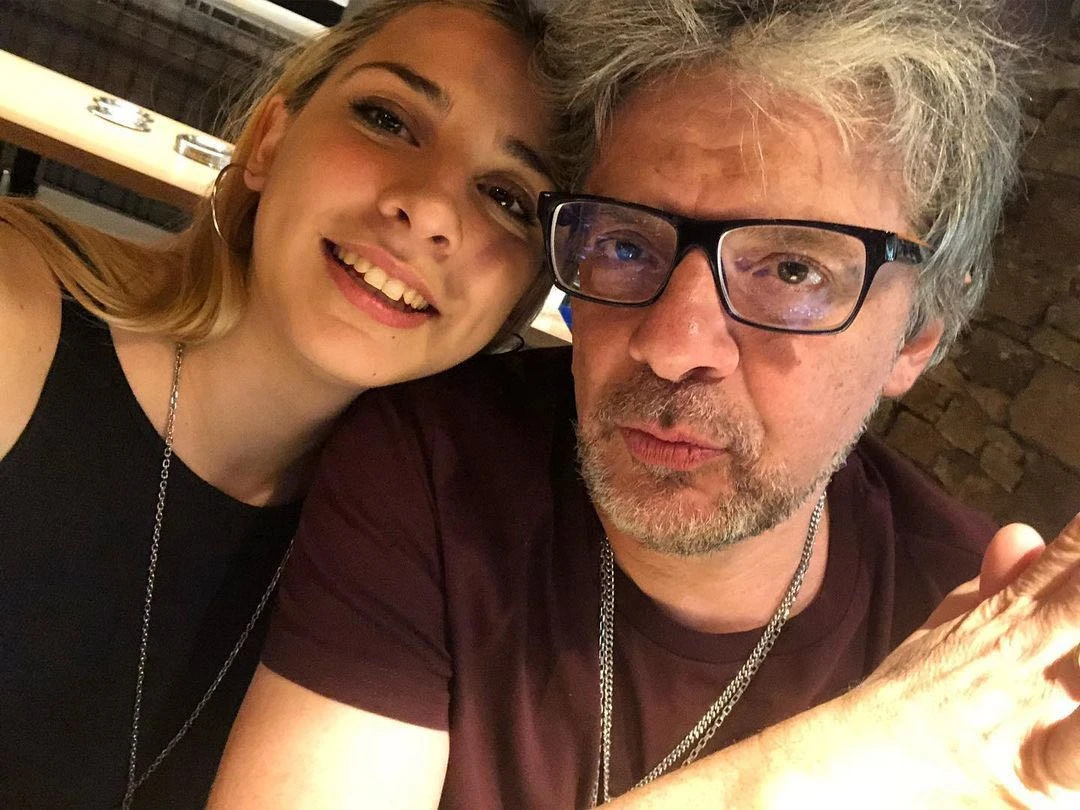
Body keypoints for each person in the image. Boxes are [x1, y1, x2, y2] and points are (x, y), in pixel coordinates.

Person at [209, 0, 1080, 807]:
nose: (674, 343)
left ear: (918, 335)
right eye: (627, 244)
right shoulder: (438, 465)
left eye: (793, 270)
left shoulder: (987, 643)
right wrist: (856, 762)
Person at [0, 1, 563, 806]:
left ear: (521, 301)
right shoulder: (14, 320)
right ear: (270, 139)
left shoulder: (411, 564)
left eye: (507, 197)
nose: (432, 209)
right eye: (388, 119)